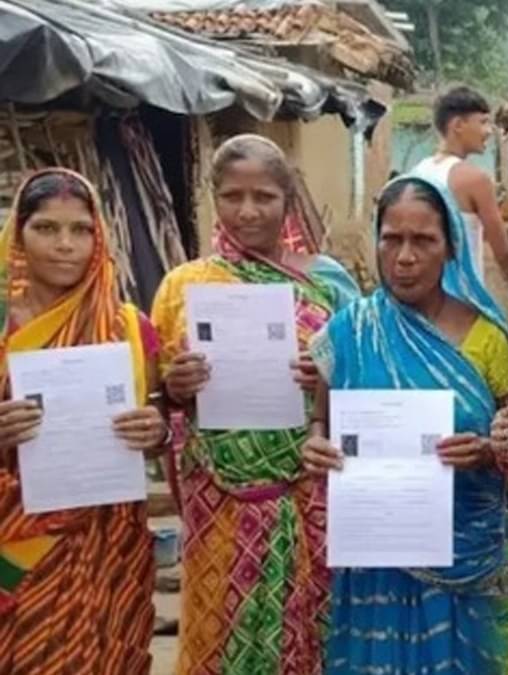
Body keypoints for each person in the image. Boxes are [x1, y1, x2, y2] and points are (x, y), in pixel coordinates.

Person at [151, 135, 361, 674]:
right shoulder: (183, 288)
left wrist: (329, 378)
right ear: (213, 198)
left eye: (264, 196)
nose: (247, 211)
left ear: (287, 200)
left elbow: (371, 383)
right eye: (232, 196)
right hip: (218, 500)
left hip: (311, 496)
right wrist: (176, 387)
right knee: (221, 634)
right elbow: (156, 401)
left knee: (313, 634)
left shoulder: (327, 283)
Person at [302, 175, 508, 674]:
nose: (405, 257)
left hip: (464, 561)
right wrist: (314, 446)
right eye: (392, 239)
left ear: (450, 248)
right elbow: (320, 421)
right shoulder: (350, 332)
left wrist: (489, 450)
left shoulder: (488, 339)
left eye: (423, 240)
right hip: (374, 558)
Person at [0, 169, 168, 673]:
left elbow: (157, 419)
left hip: (107, 543)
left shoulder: (128, 327)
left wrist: (155, 430)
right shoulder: (4, 327)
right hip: (18, 543)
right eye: (46, 228)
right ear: (18, 235)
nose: (65, 245)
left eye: (81, 230)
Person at [412, 86, 508, 284]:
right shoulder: (475, 180)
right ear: (458, 125)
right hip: (463, 295)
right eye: (483, 122)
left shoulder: (418, 171)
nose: (489, 131)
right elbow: (505, 254)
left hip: (426, 292)